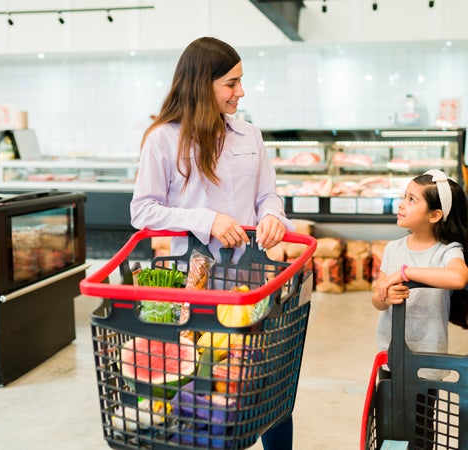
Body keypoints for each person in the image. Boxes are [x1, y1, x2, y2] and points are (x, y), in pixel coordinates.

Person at [130, 36, 295, 450]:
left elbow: (267, 195)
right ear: (202, 84)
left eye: (241, 81)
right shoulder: (163, 140)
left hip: (254, 275)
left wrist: (273, 214)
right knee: (206, 384)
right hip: (194, 282)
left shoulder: (249, 135)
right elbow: (143, 211)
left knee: (269, 379)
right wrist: (208, 220)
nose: (241, 91)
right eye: (231, 83)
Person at [371, 169, 468, 449]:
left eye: (412, 199)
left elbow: (459, 278)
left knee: (420, 426)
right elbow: (376, 299)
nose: (402, 203)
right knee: (389, 422)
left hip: (427, 358)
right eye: (404, 196)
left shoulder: (447, 251)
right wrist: (385, 295)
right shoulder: (393, 248)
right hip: (392, 352)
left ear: (435, 215)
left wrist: (405, 273)